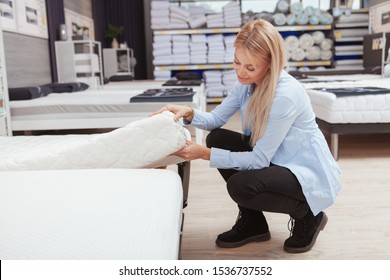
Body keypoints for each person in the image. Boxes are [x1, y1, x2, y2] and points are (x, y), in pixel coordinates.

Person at [152, 19, 341, 254]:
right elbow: (215, 120)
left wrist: (205, 155)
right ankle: (254, 223)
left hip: (302, 171)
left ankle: (308, 215)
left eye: (250, 67)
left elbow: (259, 160)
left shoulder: (286, 96)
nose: (241, 71)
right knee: (217, 138)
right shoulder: (247, 82)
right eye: (237, 62)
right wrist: (187, 112)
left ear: (270, 65)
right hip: (275, 159)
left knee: (240, 186)